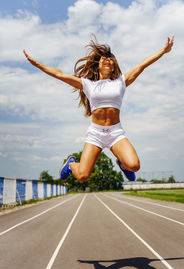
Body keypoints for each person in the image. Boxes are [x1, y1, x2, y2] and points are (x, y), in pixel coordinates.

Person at [23, 36, 174, 182]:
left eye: (110, 59)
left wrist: (163, 51)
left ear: (114, 64)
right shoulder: (88, 84)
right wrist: (38, 65)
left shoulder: (121, 81)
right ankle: (71, 164)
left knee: (134, 165)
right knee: (82, 176)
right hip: (96, 134)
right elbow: (60, 74)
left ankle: (122, 164)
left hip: (115, 132)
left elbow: (142, 65)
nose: (108, 60)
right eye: (104, 58)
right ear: (98, 64)